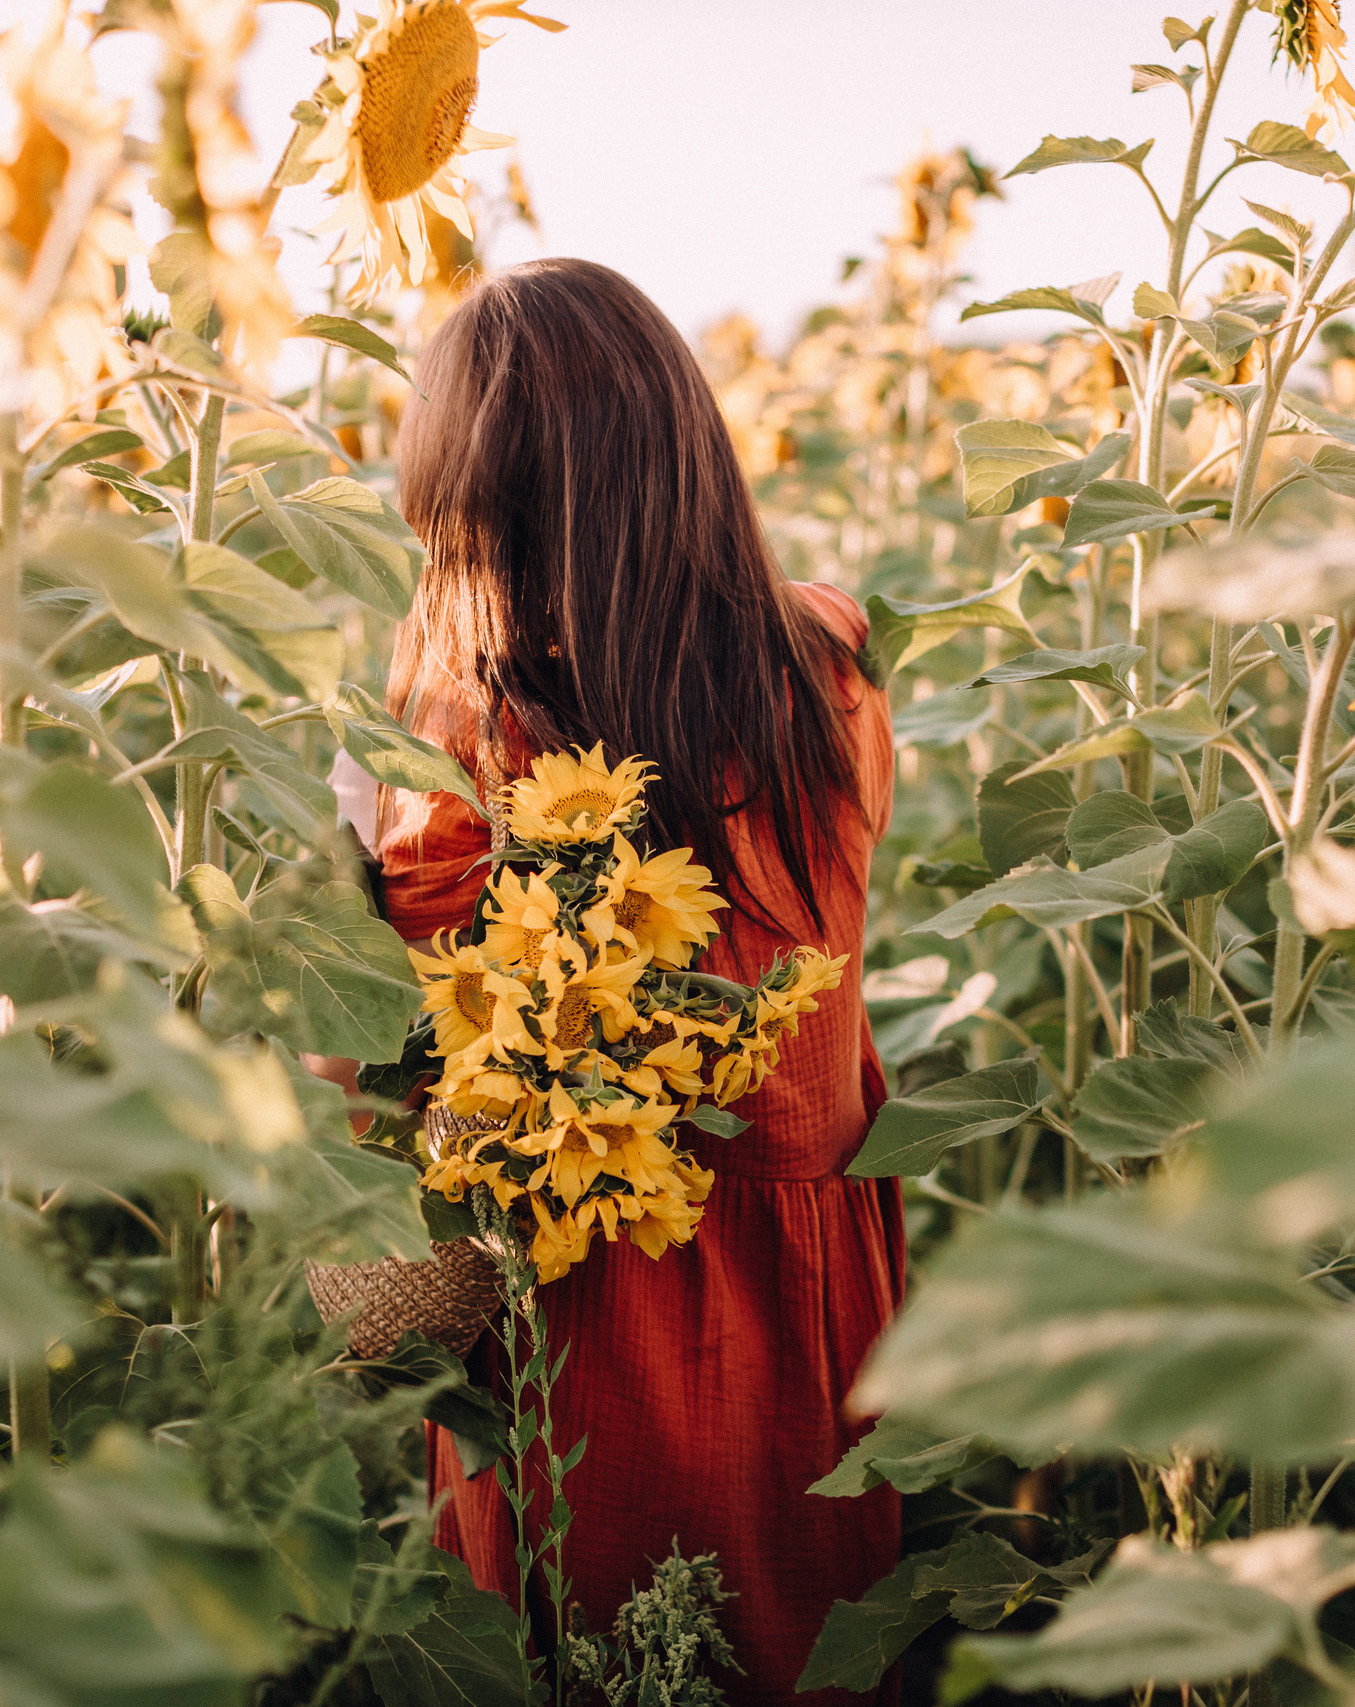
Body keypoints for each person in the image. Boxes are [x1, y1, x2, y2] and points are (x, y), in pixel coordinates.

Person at [315, 256, 901, 1705]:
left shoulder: (475, 721)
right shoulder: (827, 663)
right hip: (812, 1289)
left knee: (587, 1644)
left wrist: (342, 825)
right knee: (806, 1643)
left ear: (482, 510)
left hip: (587, 1307)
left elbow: (391, 1023)